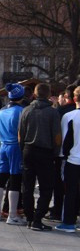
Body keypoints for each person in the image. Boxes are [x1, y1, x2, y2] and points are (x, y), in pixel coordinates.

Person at [19, 83, 62, 231]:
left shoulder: (26, 110)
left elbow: (21, 134)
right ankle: (38, 218)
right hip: (46, 152)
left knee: (27, 187)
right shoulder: (52, 112)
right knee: (46, 187)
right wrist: (56, 153)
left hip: (28, 150)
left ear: (35, 95)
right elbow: (57, 135)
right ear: (49, 94)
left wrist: (22, 150)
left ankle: (30, 217)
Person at [0, 83, 27, 226]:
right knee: (15, 179)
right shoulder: (21, 111)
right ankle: (12, 214)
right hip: (15, 146)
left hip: (3, 145)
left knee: (1, 179)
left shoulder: (1, 110)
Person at [57, 86, 80, 232]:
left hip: (74, 159)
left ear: (75, 98)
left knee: (71, 191)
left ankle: (69, 222)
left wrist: (60, 157)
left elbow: (64, 140)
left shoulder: (69, 116)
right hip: (74, 158)